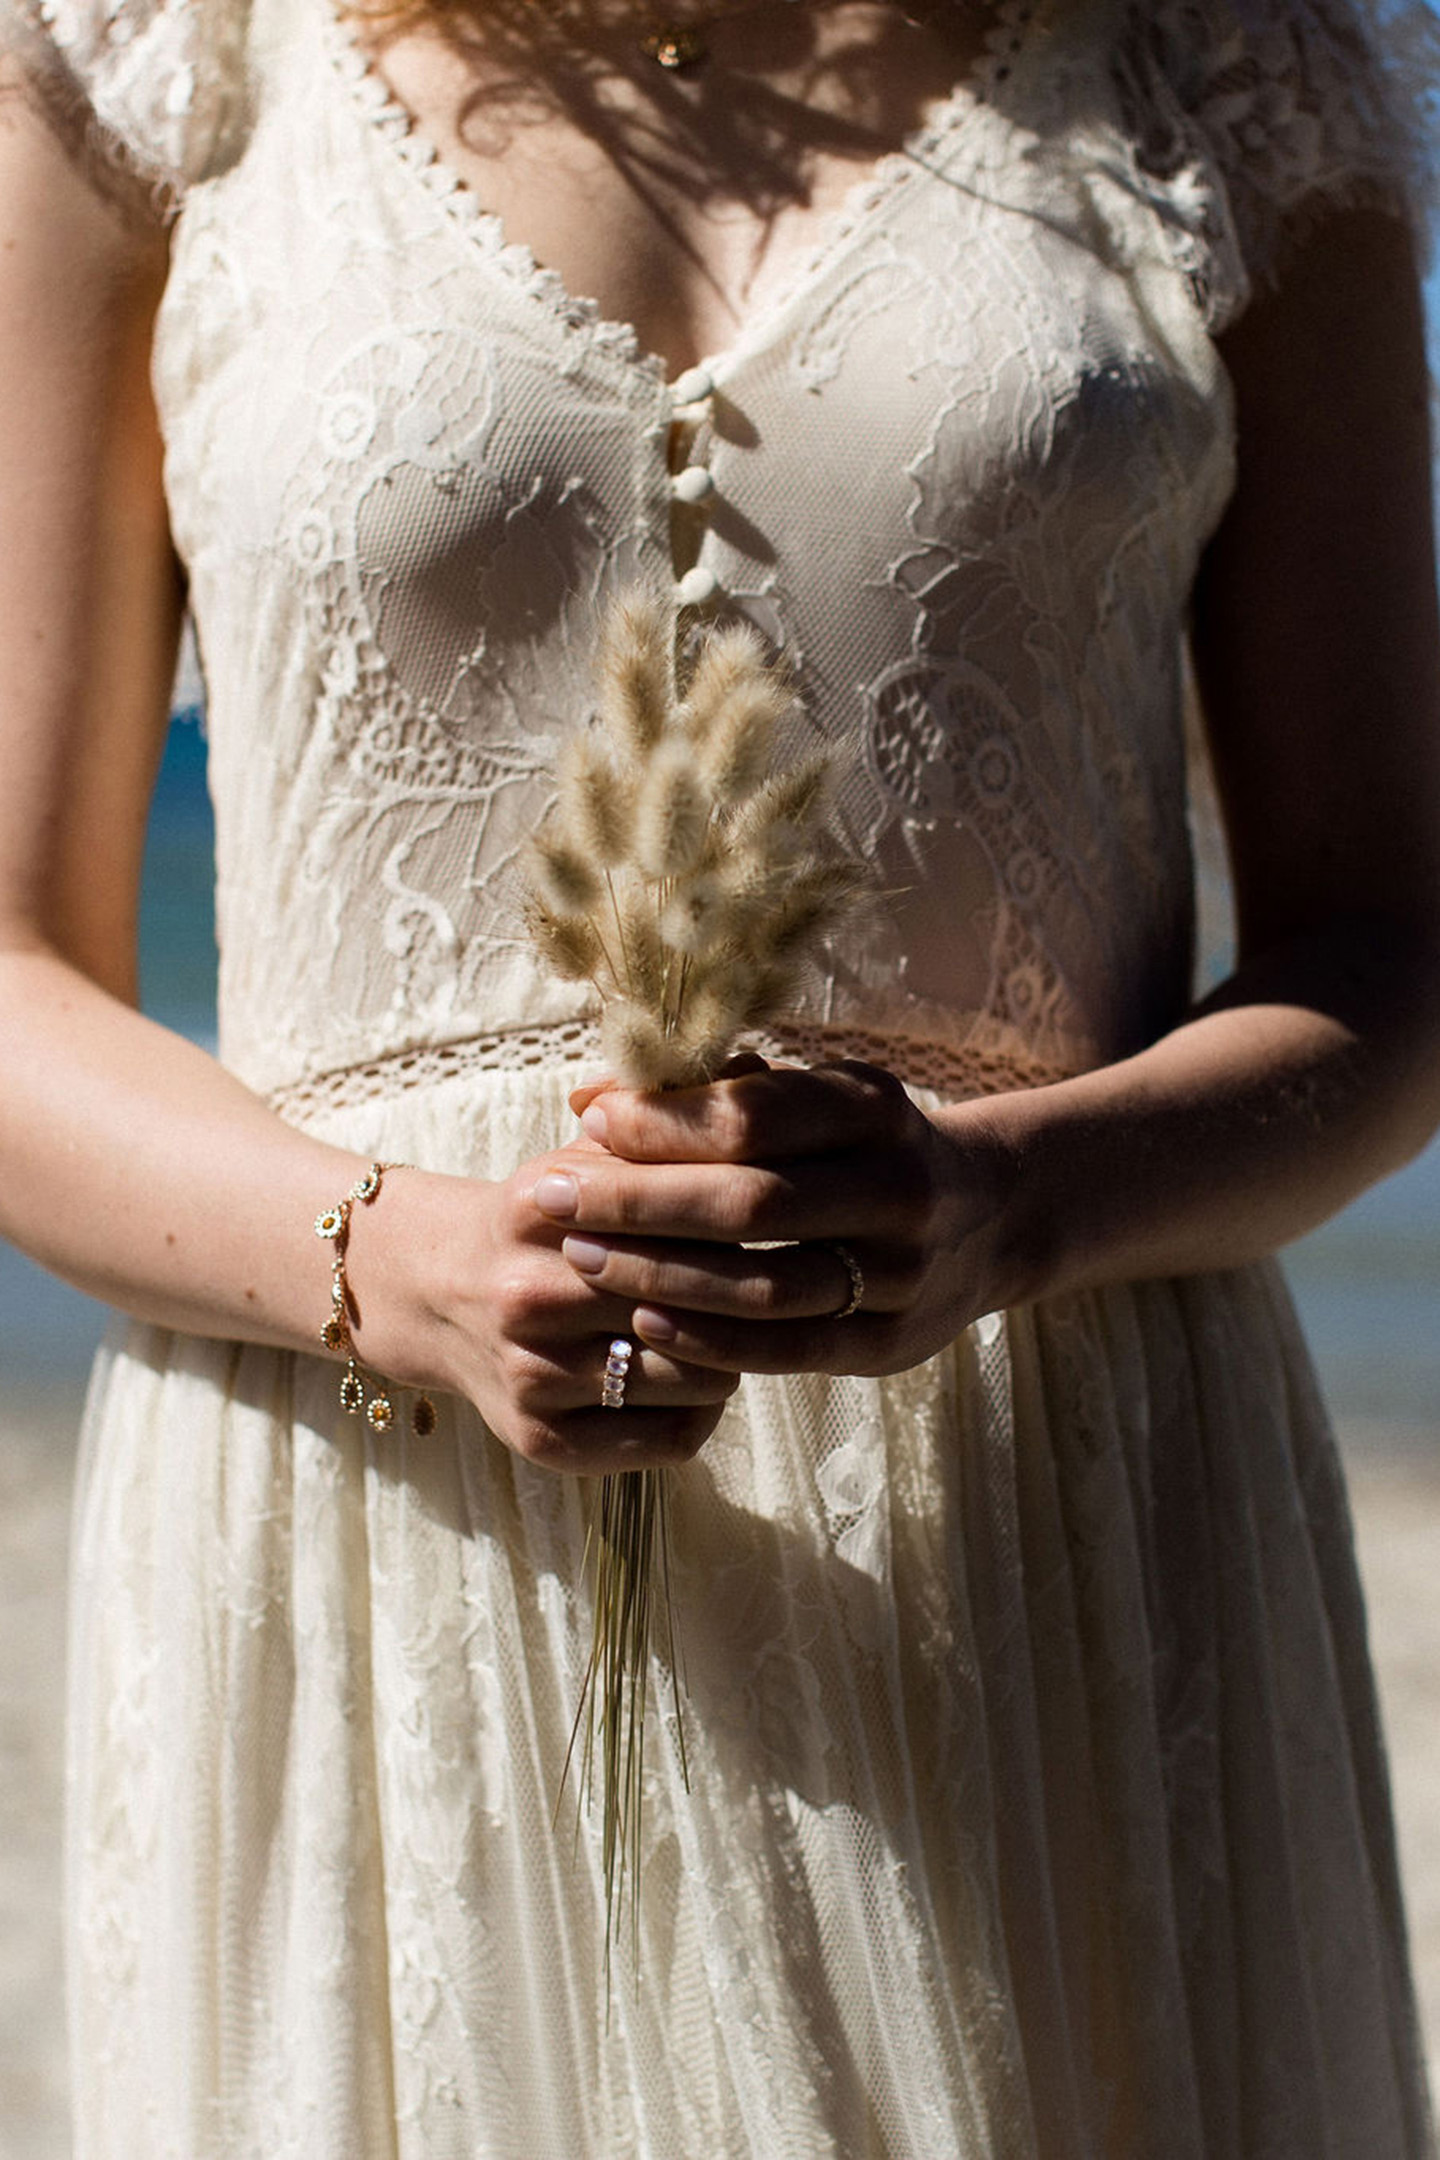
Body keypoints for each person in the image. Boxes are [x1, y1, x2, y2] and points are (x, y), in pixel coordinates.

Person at [1, 0, 1438, 2149]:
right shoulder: (157, 63)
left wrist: (1011, 1206)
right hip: (380, 1500)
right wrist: (390, 1266)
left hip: (1037, 1520)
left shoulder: (1220, 58)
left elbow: (1396, 943)